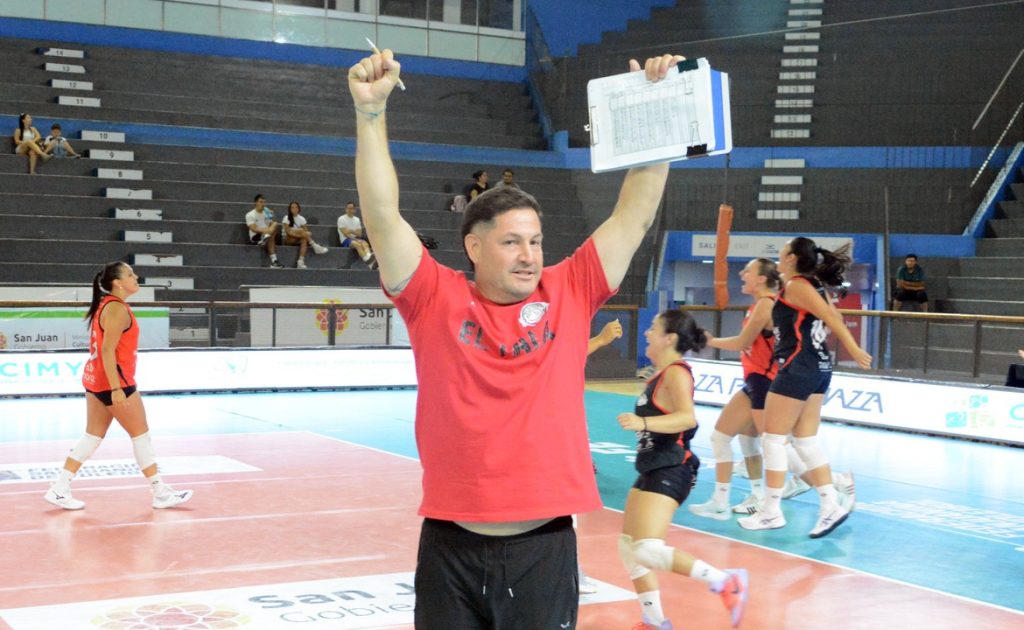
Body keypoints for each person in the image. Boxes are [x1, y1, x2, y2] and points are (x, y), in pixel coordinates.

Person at [350, 47, 684, 629]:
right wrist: (371, 114)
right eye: (511, 242)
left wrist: (654, 116)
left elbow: (633, 215)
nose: (529, 255)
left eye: (535, 241)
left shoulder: (571, 289)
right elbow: (381, 217)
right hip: (450, 546)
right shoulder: (433, 297)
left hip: (543, 549)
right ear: (474, 247)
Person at [618, 310, 748, 630]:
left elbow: (687, 418)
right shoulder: (658, 374)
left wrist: (642, 422)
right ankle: (654, 622)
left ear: (670, 338)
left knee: (647, 550)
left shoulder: (677, 372)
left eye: (653, 328)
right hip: (653, 465)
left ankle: (725, 581)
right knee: (629, 547)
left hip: (672, 466)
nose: (647, 332)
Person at [739, 237, 871, 538]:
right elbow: (833, 316)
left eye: (783, 250)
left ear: (792, 258)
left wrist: (854, 348)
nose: (779, 254)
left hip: (798, 365)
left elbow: (833, 319)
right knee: (804, 441)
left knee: (773, 439)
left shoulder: (797, 285)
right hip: (818, 366)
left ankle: (770, 511)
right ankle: (830, 505)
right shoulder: (810, 285)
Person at [43, 261, 193, 511]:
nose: (136, 277)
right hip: (115, 382)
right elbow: (107, 351)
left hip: (95, 379)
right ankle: (160, 492)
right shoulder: (116, 308)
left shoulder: (107, 305)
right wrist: (116, 389)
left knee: (92, 436)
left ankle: (59, 488)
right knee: (141, 435)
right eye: (130, 274)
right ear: (118, 283)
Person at [282, 201, 329, 269]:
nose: (294, 209)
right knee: (301, 231)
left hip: (297, 238)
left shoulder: (302, 218)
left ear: (298, 209)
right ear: (290, 209)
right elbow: (288, 232)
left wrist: (307, 234)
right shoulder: (286, 218)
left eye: (296, 207)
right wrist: (302, 234)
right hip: (287, 239)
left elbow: (306, 231)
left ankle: (300, 262)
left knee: (304, 240)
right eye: (292, 207)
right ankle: (314, 245)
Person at [245, 194, 283, 268]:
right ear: (256, 203)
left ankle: (274, 261)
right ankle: (274, 261)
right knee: (270, 235)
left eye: (264, 202)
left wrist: (272, 216)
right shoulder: (250, 214)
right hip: (256, 236)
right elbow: (253, 228)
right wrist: (266, 231)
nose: (263, 204)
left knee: (275, 224)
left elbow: (272, 224)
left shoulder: (266, 213)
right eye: (261, 202)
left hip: (267, 236)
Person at [336, 201, 376, 269]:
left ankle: (369, 258)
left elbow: (359, 234)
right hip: (345, 240)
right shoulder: (341, 219)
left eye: (351, 208)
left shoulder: (357, 219)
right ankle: (369, 261)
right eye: (348, 208)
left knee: (365, 243)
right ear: (345, 209)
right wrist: (355, 235)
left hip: (355, 238)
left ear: (354, 210)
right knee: (358, 245)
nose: (349, 210)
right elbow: (345, 234)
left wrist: (351, 231)